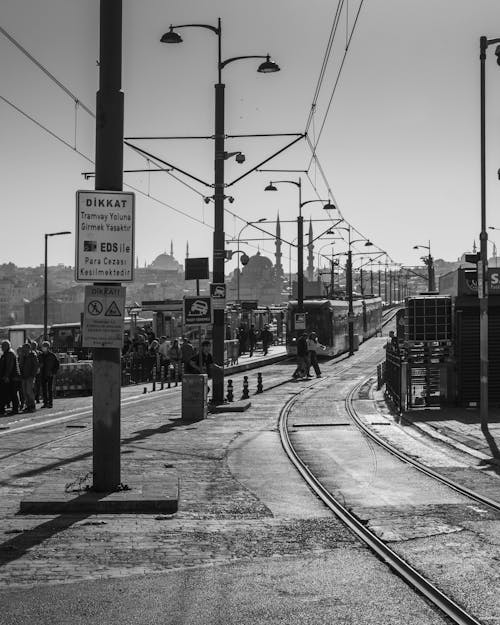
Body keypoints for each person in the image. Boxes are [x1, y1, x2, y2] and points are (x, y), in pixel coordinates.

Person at [0, 340, 20, 415]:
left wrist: (6, 376)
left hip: (12, 377)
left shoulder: (10, 354)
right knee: (6, 393)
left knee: (12, 393)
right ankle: (4, 408)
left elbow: (9, 366)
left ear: (7, 346)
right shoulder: (5, 354)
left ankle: (15, 409)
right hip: (8, 377)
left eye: (3, 346)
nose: (2, 347)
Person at [39, 341, 60, 409]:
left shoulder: (52, 355)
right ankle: (45, 403)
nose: (43, 348)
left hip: (49, 374)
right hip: (42, 374)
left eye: (45, 346)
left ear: (48, 347)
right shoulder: (40, 355)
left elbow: (57, 365)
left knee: (49, 389)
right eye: (43, 346)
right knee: (44, 389)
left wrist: (53, 372)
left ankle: (50, 403)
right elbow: (37, 364)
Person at [20, 342, 39, 413]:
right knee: (25, 392)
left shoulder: (33, 355)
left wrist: (32, 375)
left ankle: (32, 405)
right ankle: (28, 405)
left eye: (24, 348)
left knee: (29, 391)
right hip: (24, 376)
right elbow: (20, 366)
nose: (23, 350)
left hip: (30, 376)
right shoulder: (23, 356)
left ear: (28, 349)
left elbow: (36, 366)